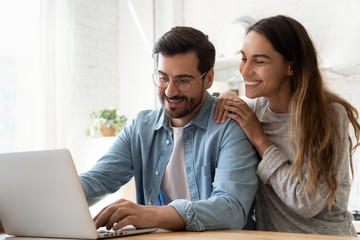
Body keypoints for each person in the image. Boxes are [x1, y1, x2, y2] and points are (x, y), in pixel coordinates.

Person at [79, 26, 259, 232]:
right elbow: (98, 179)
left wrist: (150, 215)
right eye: (163, 77)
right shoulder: (141, 127)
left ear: (208, 78)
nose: (170, 91)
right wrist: (49, 192)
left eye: (183, 81)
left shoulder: (229, 126)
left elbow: (231, 209)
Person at [214, 15, 360, 237]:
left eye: (259, 61)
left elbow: (307, 202)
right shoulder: (253, 111)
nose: (245, 70)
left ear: (291, 67)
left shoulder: (329, 115)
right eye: (244, 59)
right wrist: (224, 96)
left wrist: (261, 140)